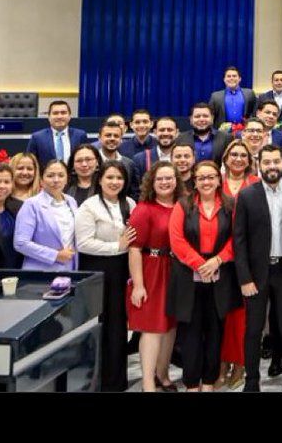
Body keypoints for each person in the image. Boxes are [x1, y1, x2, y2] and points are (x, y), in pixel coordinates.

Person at [233, 145, 282, 394]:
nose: (272, 167)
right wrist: (244, 277)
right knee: (253, 329)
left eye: (276, 162)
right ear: (259, 164)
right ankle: (252, 380)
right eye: (266, 162)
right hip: (257, 274)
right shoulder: (247, 196)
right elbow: (239, 240)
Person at [168, 159, 241, 392]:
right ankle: (191, 383)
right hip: (188, 275)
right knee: (190, 333)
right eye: (201, 178)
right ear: (195, 181)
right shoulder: (182, 204)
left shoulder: (230, 204)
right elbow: (176, 240)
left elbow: (236, 238)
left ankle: (209, 382)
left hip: (221, 275)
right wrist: (200, 264)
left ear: (219, 179)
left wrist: (218, 260)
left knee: (214, 331)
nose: (207, 181)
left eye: (211, 177)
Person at [75, 158, 136, 392]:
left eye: (119, 178)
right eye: (109, 177)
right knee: (102, 326)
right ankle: (98, 381)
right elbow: (83, 243)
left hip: (123, 270)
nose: (114, 182)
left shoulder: (129, 202)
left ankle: (116, 381)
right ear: (99, 179)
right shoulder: (89, 207)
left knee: (119, 326)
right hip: (99, 271)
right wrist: (117, 247)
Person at [127, 160, 180, 391]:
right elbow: (135, 248)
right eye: (160, 178)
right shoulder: (144, 209)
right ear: (152, 182)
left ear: (176, 181)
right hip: (151, 269)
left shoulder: (182, 206)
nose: (165, 182)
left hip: (176, 270)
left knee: (170, 325)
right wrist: (139, 285)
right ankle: (148, 381)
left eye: (169, 178)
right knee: (152, 327)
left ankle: (163, 374)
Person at [218, 138, 258, 388]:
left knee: (243, 317)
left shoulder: (256, 185)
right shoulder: (215, 184)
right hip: (218, 261)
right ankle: (221, 363)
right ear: (225, 158)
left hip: (246, 261)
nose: (239, 159)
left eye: (243, 155)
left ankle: (240, 364)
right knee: (221, 315)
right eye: (234, 154)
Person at [14, 159, 78, 270]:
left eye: (61, 175)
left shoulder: (71, 202)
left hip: (69, 268)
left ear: (67, 179)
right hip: (41, 271)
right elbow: (20, 243)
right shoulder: (32, 204)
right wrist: (55, 255)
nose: (56, 180)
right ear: (41, 181)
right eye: (50, 176)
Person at [25, 99, 89, 166]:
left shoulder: (80, 135)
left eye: (63, 113)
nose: (59, 116)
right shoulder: (37, 137)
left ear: (70, 116)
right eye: (55, 113)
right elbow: (30, 162)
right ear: (49, 117)